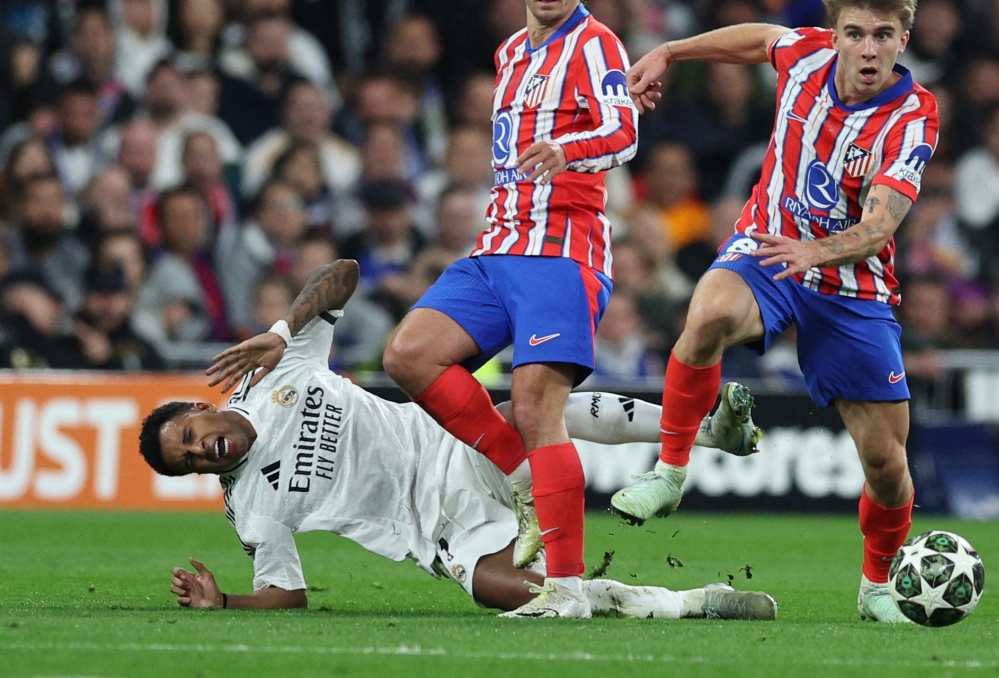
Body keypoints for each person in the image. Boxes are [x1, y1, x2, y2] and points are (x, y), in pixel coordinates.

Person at [139, 258, 770, 619]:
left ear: (202, 405)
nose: (199, 450)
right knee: (505, 594)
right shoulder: (249, 508)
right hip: (432, 526)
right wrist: (224, 602)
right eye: (188, 460)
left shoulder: (275, 368)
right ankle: (689, 602)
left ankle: (704, 431)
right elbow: (288, 595)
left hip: (450, 441)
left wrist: (283, 327)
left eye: (190, 434)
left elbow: (343, 274)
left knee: (529, 412)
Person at [609, 0, 940, 624]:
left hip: (852, 285)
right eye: (854, 33)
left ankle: (877, 585)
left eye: (882, 35)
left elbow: (880, 224)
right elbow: (758, 39)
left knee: (887, 464)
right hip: (769, 247)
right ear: (834, 35)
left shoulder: (912, 116)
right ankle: (669, 472)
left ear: (902, 39)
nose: (867, 49)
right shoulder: (806, 52)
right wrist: (672, 51)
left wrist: (817, 250)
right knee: (707, 314)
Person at [381, 0, 641, 620]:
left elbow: (625, 131)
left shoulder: (595, 43)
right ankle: (526, 479)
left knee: (533, 405)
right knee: (408, 354)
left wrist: (570, 149)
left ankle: (565, 588)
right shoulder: (510, 55)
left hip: (560, 249)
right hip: (496, 246)